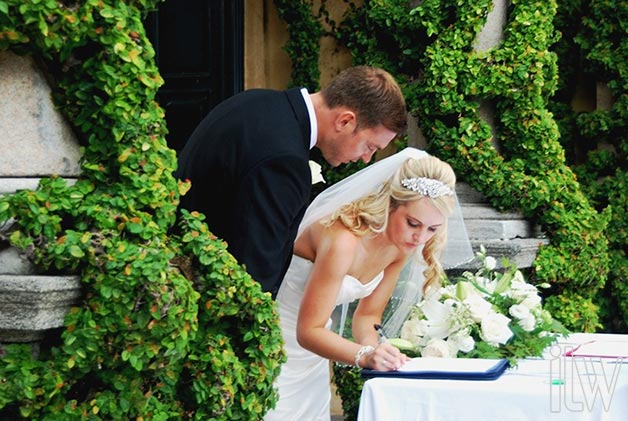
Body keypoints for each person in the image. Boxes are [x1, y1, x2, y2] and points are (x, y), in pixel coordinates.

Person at [264, 147, 474, 421]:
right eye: (413, 223)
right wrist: (363, 355)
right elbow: (308, 331)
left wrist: (377, 350)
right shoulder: (342, 241)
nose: (420, 237)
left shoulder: (400, 248)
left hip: (313, 353)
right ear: (391, 204)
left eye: (432, 229)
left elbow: (368, 316)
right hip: (272, 339)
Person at [174, 66, 407, 297]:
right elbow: (255, 276)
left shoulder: (256, 100)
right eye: (370, 147)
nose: (366, 159)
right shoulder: (285, 162)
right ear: (345, 121)